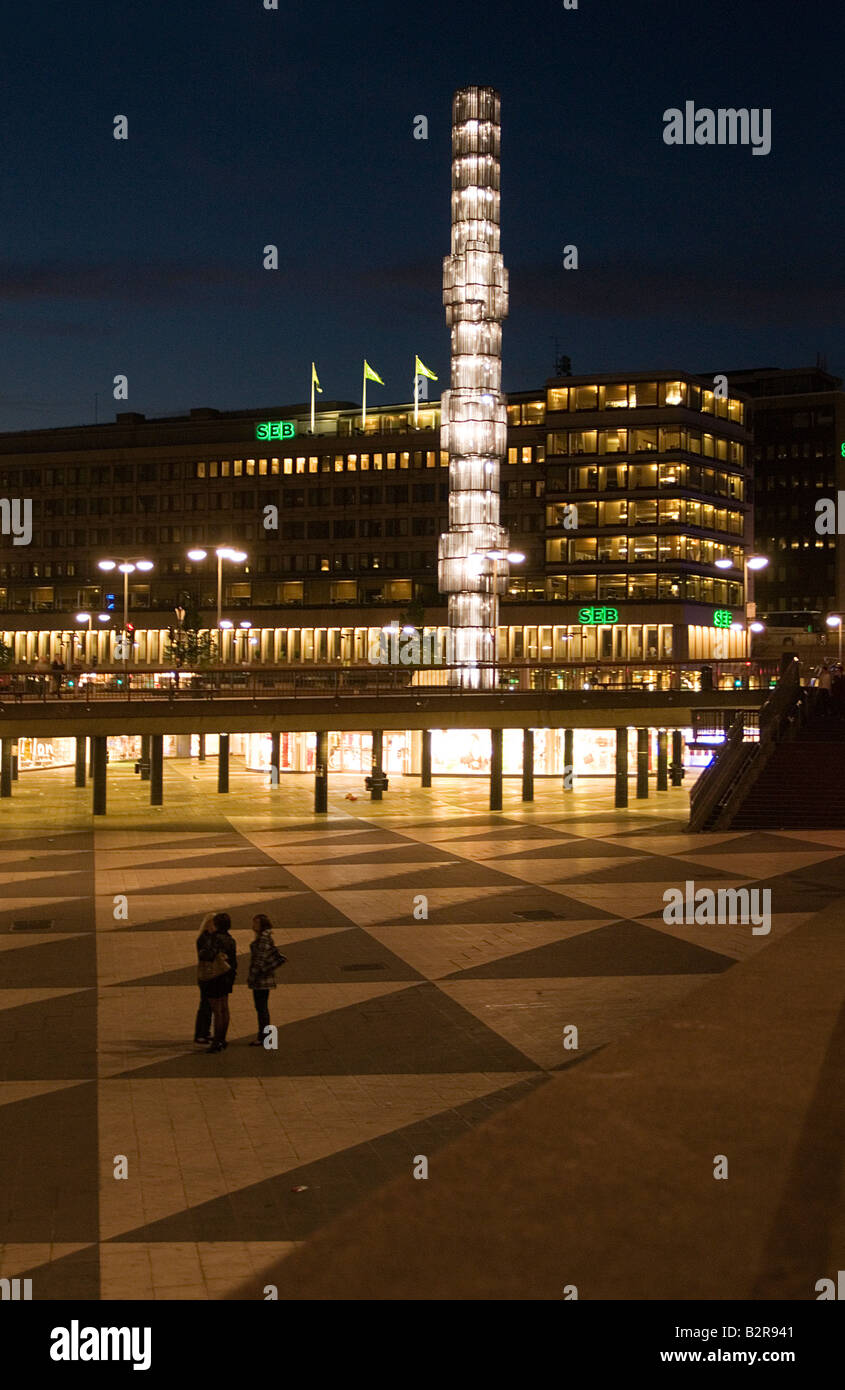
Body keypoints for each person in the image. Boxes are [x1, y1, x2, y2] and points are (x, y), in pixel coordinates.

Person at [197, 911, 237, 1052]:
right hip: (227, 977)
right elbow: (234, 961)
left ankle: (216, 1042)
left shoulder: (215, 938)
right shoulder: (231, 939)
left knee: (217, 1010)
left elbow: (207, 955)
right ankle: (223, 1038)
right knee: (224, 1008)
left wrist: (203, 953)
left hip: (215, 977)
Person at [247, 913, 287, 1047]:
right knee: (262, 1008)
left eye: (255, 923)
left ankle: (265, 1037)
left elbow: (259, 959)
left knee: (262, 1008)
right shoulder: (264, 937)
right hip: (264, 978)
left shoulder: (263, 938)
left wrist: (252, 976)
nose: (253, 925)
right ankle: (266, 1037)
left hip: (262, 980)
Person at [193, 913, 216, 1045]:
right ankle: (200, 1033)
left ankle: (205, 1032)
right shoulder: (204, 938)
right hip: (205, 976)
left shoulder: (209, 937)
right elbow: (206, 955)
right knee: (205, 1005)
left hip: (209, 975)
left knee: (209, 1005)